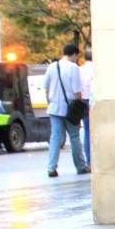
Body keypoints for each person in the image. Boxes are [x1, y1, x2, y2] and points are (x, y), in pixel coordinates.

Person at [44, 42, 89, 178]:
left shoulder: (52, 66)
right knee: (74, 137)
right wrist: (79, 105)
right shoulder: (73, 68)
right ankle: (80, 166)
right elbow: (77, 91)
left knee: (55, 137)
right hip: (70, 108)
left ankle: (51, 168)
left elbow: (46, 88)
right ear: (74, 54)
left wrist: (50, 102)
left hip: (54, 108)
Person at [79, 48, 94, 167]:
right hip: (91, 101)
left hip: (81, 100)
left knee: (86, 131)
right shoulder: (95, 70)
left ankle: (88, 160)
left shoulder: (79, 70)